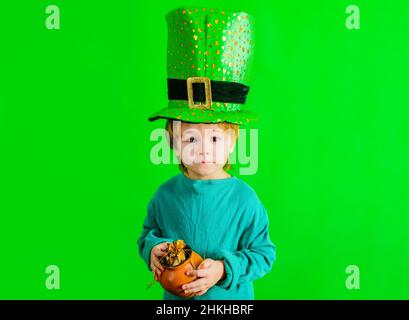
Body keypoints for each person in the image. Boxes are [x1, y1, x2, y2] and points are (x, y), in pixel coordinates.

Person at [137, 7, 276, 300]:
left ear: (233, 140)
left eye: (214, 137)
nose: (203, 149)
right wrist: (153, 249)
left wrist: (224, 269)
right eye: (189, 138)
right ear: (171, 140)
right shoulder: (164, 196)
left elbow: (264, 254)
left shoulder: (244, 199)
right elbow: (148, 235)